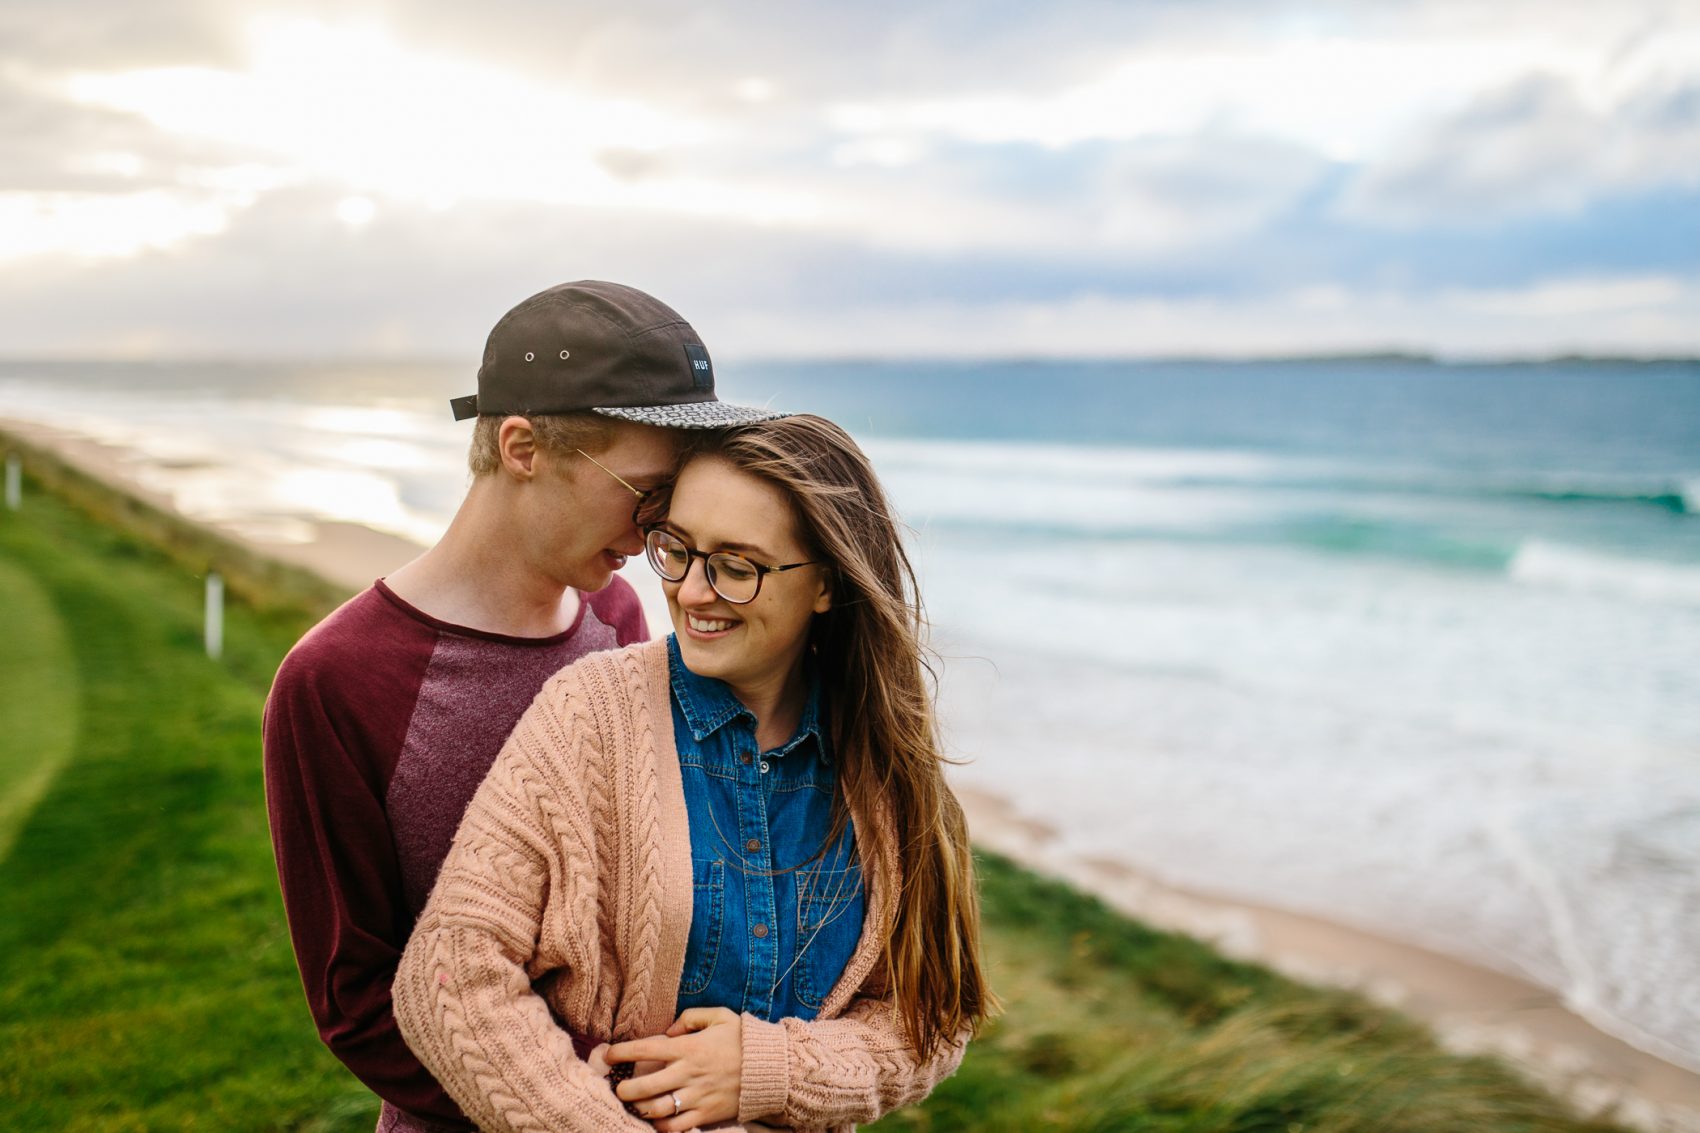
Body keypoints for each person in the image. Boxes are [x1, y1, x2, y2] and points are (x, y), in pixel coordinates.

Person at [263, 280, 786, 1133]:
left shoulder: (618, 618)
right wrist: (579, 1107)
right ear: (522, 446)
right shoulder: (336, 679)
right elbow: (356, 1002)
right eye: (646, 493)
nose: (661, 536)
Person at [392, 415, 993, 1133]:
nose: (693, 591)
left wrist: (769, 1069)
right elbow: (450, 971)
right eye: (677, 549)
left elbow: (929, 1015)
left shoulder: (883, 756)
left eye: (737, 567)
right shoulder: (590, 714)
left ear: (827, 582)